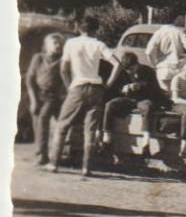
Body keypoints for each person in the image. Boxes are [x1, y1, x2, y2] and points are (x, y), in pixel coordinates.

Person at [51, 15, 123, 177]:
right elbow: (118, 63)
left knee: (63, 124)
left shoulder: (71, 43)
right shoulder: (99, 44)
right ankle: (86, 168)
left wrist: (70, 86)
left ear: (80, 28)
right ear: (95, 29)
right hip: (96, 88)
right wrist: (108, 84)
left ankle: (54, 163)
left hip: (78, 86)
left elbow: (63, 69)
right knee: (90, 130)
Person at [26, 33, 66, 166]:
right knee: (37, 123)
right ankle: (41, 153)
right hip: (38, 94)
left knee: (44, 120)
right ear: (46, 45)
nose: (58, 45)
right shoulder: (38, 58)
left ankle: (46, 155)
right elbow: (30, 80)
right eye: (55, 43)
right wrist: (33, 100)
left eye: (60, 43)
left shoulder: (63, 61)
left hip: (53, 96)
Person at [144, 21, 186, 95]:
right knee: (177, 94)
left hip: (163, 67)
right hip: (178, 67)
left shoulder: (159, 33)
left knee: (165, 93)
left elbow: (148, 52)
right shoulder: (179, 31)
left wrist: (153, 64)